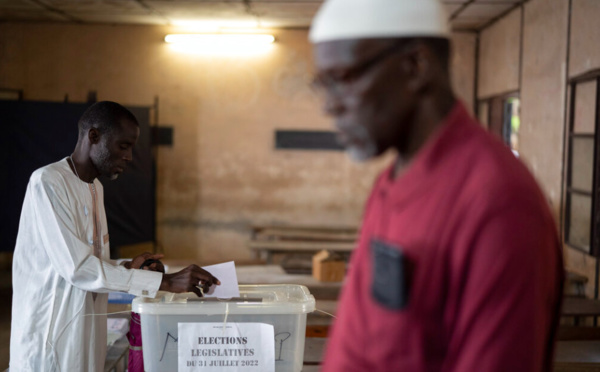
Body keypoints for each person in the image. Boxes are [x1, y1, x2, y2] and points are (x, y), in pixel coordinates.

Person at [309, 1, 564, 371]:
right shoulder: (391, 181)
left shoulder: (498, 204)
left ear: (416, 66)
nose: (329, 106)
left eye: (343, 79)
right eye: (322, 84)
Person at [10, 101, 220, 372]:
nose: (130, 157)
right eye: (123, 146)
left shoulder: (95, 187)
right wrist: (164, 281)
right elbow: (77, 269)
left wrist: (127, 268)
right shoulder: (48, 182)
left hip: (86, 330)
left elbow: (90, 261)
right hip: (51, 336)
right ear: (94, 137)